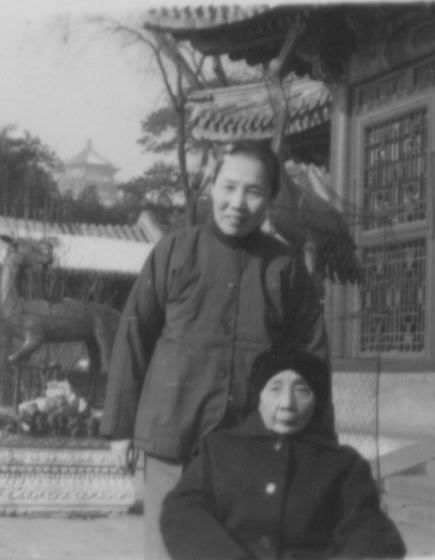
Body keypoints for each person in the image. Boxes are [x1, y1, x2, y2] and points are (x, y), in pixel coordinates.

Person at [100, 142, 332, 559]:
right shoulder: (174, 251)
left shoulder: (285, 267)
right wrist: (120, 428)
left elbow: (311, 362)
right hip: (172, 437)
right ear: (211, 186)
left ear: (270, 197)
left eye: (253, 191)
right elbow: (134, 334)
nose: (238, 203)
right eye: (229, 187)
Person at [160, 349, 406, 560]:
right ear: (258, 397)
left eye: (302, 391)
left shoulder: (343, 465)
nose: (287, 403)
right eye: (275, 389)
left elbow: (370, 533)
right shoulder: (218, 450)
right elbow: (183, 513)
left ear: (317, 400)